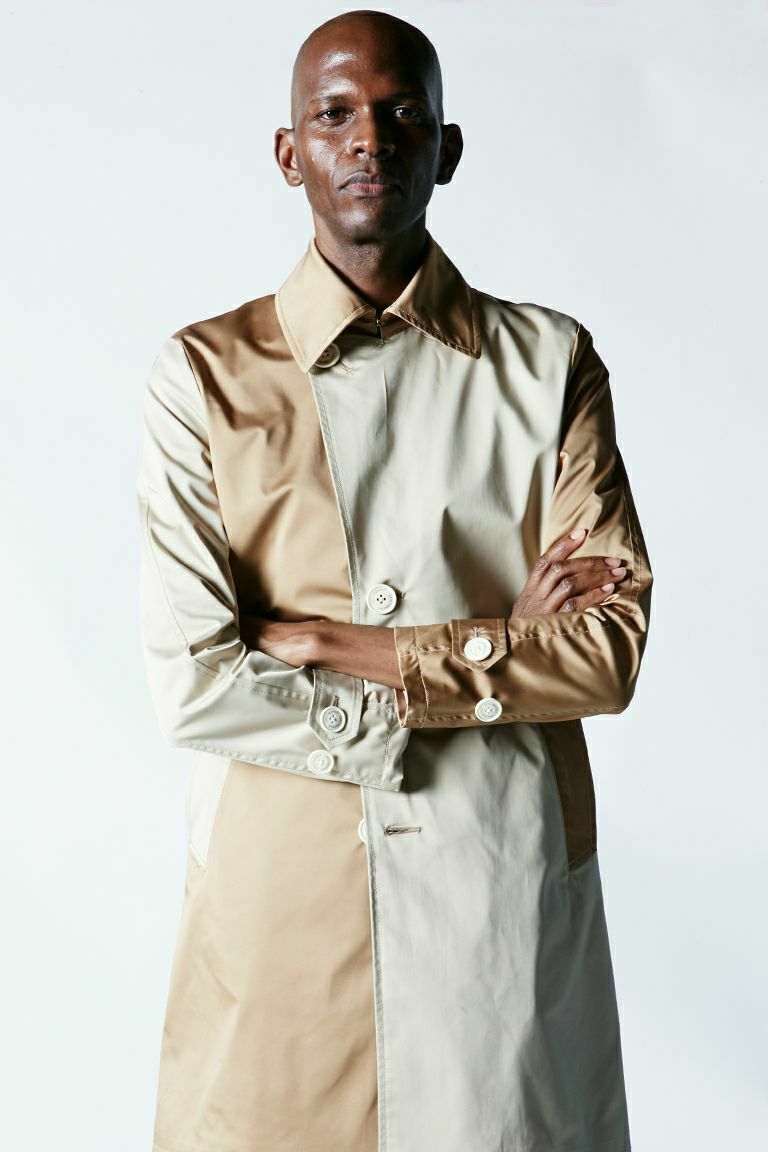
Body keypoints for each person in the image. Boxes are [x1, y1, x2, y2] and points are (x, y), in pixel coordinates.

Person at [136, 9, 653, 1152]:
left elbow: (607, 652)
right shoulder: (204, 377)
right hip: (281, 885)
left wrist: (324, 642)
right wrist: (497, 649)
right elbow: (193, 681)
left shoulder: (549, 363)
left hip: (498, 883)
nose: (369, 138)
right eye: (334, 115)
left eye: (401, 113)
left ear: (446, 148)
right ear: (290, 154)